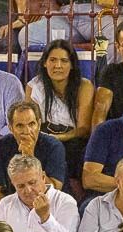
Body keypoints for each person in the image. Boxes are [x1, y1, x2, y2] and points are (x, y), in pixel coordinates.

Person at [24, 39, 93, 187]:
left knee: (63, 152)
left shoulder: (84, 86)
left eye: (64, 61)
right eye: (53, 60)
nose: (58, 66)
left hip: (73, 141)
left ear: (72, 64)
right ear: (44, 63)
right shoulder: (34, 86)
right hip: (44, 139)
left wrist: (59, 138)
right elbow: (31, 123)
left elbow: (84, 129)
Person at [0, 98, 66, 205]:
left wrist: (29, 156)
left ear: (39, 124)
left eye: (31, 124)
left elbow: (54, 190)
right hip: (12, 209)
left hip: (50, 206)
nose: (26, 131)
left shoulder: (54, 146)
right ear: (10, 128)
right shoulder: (0, 146)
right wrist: (16, 210)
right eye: (20, 126)